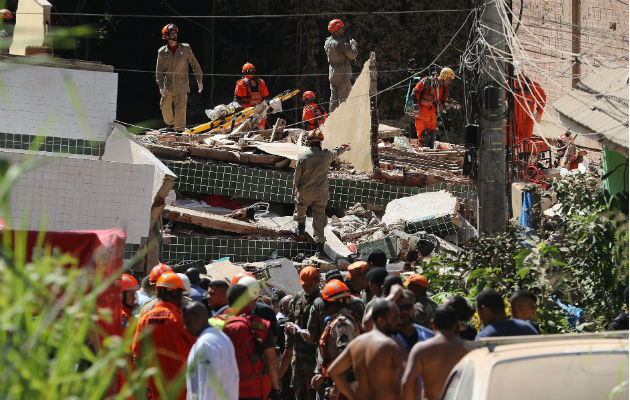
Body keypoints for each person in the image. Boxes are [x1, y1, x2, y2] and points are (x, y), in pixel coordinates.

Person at [132, 272, 195, 400]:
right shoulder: (179, 319)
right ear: (177, 294)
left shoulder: (144, 318)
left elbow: (137, 354)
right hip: (180, 387)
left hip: (154, 387)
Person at [327, 300, 406, 400]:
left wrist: (352, 396)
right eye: (395, 318)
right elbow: (410, 378)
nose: (399, 322)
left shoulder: (356, 344)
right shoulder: (391, 345)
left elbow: (333, 371)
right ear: (381, 321)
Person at [215, 282, 280, 400]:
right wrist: (275, 388)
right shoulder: (259, 325)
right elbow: (271, 360)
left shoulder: (215, 324)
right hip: (252, 389)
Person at [293, 129, 350, 256]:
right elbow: (336, 152)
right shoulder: (326, 155)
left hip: (306, 191)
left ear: (308, 142)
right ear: (320, 142)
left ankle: (300, 224)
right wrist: (344, 147)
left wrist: (296, 187)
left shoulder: (303, 156)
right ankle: (319, 247)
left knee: (300, 205)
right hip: (321, 194)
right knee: (319, 217)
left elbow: (297, 176)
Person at [401, 305, 469, 400]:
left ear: (433, 324)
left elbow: (407, 382)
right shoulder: (466, 349)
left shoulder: (421, 349)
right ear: (455, 325)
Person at [312, 279, 362, 399]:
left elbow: (344, 356)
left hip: (345, 387)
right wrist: (324, 376)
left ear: (331, 303)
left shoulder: (342, 324)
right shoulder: (336, 321)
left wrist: (337, 386)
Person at [184, 301, 239, 400]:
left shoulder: (206, 344)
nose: (185, 327)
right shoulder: (222, 337)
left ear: (197, 320)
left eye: (187, 323)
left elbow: (208, 387)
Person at [155, 23, 203, 132]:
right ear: (166, 36)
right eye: (172, 32)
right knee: (164, 106)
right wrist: (161, 86)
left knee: (180, 108)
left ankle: (180, 131)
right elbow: (159, 71)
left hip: (182, 85)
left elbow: (195, 65)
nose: (175, 34)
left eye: (175, 32)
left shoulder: (185, 48)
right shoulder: (162, 52)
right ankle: (171, 125)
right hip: (168, 86)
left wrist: (199, 80)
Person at [286, 266, 320, 400]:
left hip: (314, 359)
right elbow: (289, 317)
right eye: (304, 285)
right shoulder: (298, 298)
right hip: (298, 358)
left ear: (317, 281)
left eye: (310, 285)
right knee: (298, 393)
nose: (307, 288)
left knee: (313, 393)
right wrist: (288, 325)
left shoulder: (322, 300)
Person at [395, 289, 434, 399]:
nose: (404, 312)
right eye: (399, 308)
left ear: (413, 307)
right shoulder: (387, 339)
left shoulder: (428, 337)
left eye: (407, 307)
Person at [412, 67, 454, 148]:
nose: (449, 82)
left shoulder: (445, 89)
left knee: (431, 140)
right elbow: (415, 93)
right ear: (443, 77)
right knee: (423, 138)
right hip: (422, 114)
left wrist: (440, 108)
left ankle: (427, 156)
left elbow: (442, 101)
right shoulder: (428, 81)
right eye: (448, 79)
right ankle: (422, 156)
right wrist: (416, 110)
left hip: (432, 116)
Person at [324, 19, 358, 112]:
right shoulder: (341, 43)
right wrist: (353, 45)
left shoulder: (327, 42)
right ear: (336, 29)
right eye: (341, 28)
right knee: (344, 101)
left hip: (332, 74)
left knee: (333, 101)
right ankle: (345, 123)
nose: (342, 30)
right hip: (342, 75)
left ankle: (331, 122)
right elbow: (352, 55)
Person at [509, 60, 546, 143]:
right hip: (512, 120)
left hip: (526, 121)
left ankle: (524, 155)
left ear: (522, 73)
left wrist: (539, 113)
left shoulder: (533, 87)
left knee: (525, 144)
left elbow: (542, 100)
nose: (516, 78)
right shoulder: (508, 86)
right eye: (514, 76)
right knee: (510, 144)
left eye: (518, 76)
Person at [234, 62, 271, 129]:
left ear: (244, 72)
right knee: (260, 129)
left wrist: (236, 112)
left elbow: (237, 99)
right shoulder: (261, 81)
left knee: (245, 129)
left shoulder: (240, 83)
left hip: (246, 110)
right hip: (260, 109)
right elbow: (266, 97)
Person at [276, 295, 295, 400]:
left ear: (283, 309)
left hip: (286, 370)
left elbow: (286, 354)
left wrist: (278, 377)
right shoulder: (305, 323)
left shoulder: (280, 325)